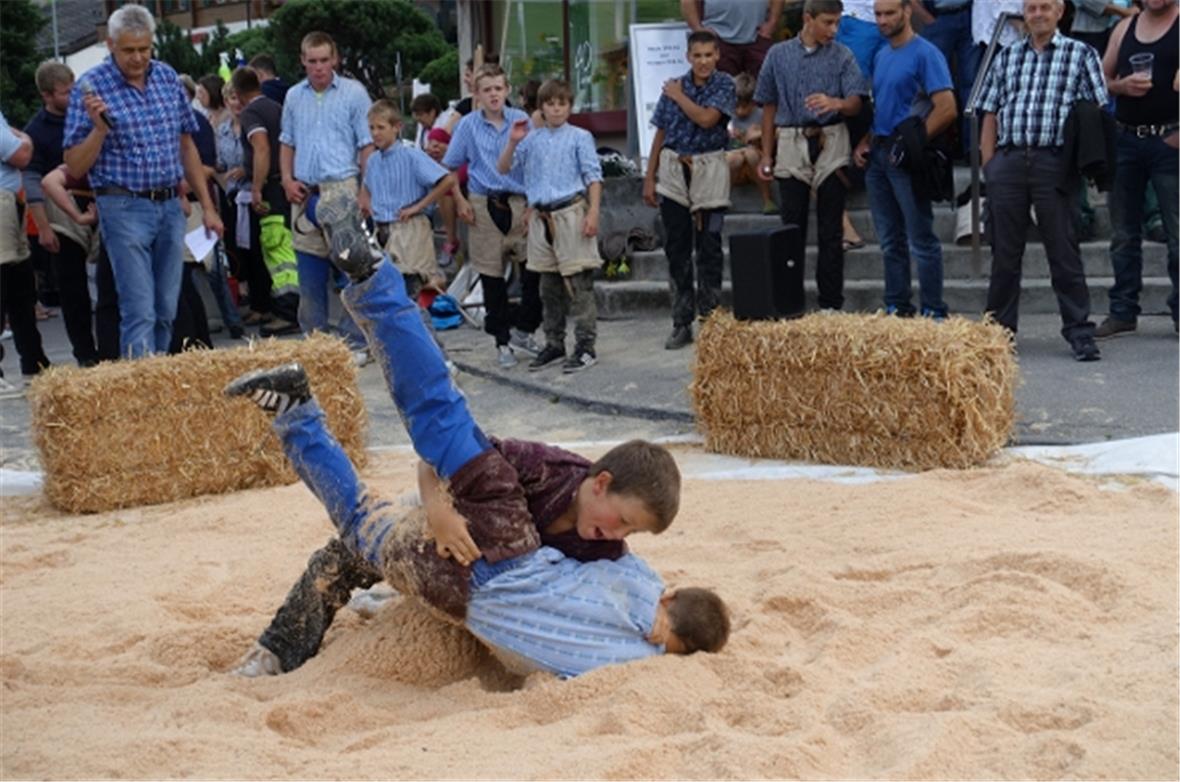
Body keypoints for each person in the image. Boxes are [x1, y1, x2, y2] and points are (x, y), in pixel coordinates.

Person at [225, 195, 728, 679]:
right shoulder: (552, 467)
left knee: (380, 502)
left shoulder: (608, 553)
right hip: (462, 511)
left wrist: (659, 610)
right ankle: (367, 277)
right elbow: (441, 457)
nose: (619, 537)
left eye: (631, 534)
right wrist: (437, 510)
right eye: (624, 522)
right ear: (600, 483)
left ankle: (298, 402)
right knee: (397, 473)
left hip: (477, 560)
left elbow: (637, 589)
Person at [63, 4, 223, 358]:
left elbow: (186, 145)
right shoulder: (91, 88)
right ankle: (140, 382)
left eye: (144, 49)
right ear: (111, 45)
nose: (138, 58)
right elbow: (73, 162)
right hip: (122, 205)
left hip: (169, 204)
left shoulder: (167, 78)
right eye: (129, 50)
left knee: (166, 307)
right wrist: (99, 130)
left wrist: (208, 207)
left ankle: (156, 378)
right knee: (139, 309)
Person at [977, 0, 1109, 360]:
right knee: (1004, 254)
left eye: (1045, 7)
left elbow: (1095, 109)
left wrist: (1080, 161)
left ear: (1059, 11)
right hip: (1008, 160)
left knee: (1063, 251)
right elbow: (990, 112)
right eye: (1031, 7)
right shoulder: (1006, 57)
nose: (1037, 14)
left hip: (1054, 160)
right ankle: (999, 334)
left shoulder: (1080, 54)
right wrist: (990, 166)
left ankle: (1080, 332)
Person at [756, 0, 869, 313]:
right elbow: (768, 105)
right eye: (828, 22)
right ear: (808, 18)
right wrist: (766, 154)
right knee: (791, 228)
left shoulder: (843, 55)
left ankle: (830, 304)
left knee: (831, 228)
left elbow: (857, 101)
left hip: (831, 139)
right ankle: (788, 303)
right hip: (791, 139)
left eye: (837, 23)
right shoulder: (778, 54)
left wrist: (837, 103)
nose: (834, 30)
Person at [852, 0, 956, 320]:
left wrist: (913, 143)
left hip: (907, 157)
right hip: (879, 153)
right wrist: (866, 140)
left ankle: (933, 309)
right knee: (889, 240)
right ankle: (897, 305)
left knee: (921, 237)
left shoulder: (926, 53)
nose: (882, 20)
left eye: (889, 13)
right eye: (878, 14)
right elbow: (882, 105)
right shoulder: (882, 54)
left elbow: (947, 107)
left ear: (907, 12)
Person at [279, 30, 374, 364]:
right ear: (303, 61)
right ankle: (315, 343)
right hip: (305, 191)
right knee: (309, 272)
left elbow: (366, 144)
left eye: (324, 60)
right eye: (312, 61)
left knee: (351, 269)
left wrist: (365, 190)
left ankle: (354, 342)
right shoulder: (294, 96)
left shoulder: (354, 93)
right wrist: (287, 179)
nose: (318, 67)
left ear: (334, 59)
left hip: (342, 187)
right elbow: (287, 141)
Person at [497, 79, 604, 373]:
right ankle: (554, 342)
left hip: (570, 212)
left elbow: (593, 176)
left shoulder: (580, 136)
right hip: (541, 217)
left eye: (562, 104)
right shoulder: (531, 140)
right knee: (548, 286)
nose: (556, 109)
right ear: (541, 108)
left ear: (570, 107)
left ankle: (586, 346)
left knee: (579, 283)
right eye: (550, 104)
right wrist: (513, 141)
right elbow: (504, 168)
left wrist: (593, 212)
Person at [442, 63, 543, 369]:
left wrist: (533, 203)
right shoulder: (468, 126)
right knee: (492, 277)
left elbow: (536, 164)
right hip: (483, 202)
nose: (494, 95)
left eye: (498, 88)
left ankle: (525, 328)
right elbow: (448, 168)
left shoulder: (522, 120)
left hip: (519, 201)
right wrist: (460, 200)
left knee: (533, 271)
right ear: (477, 94)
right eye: (487, 90)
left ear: (507, 90)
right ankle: (501, 340)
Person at [644, 30, 737, 350]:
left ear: (717, 55)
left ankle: (710, 319)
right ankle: (681, 321)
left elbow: (708, 119)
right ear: (688, 57)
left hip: (709, 167)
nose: (703, 61)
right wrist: (649, 176)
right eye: (697, 55)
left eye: (709, 55)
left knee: (709, 244)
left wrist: (678, 95)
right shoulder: (674, 84)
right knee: (676, 247)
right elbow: (661, 132)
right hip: (673, 167)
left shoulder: (724, 85)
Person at [1097, 0, 1178, 338]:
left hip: (1170, 140)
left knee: (1178, 234)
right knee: (1122, 234)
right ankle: (1123, 311)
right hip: (1126, 139)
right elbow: (1101, 77)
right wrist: (1121, 86)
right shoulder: (1124, 27)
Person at [23, 61, 99, 367]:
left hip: (98, 197)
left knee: (110, 280)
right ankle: (85, 353)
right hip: (61, 203)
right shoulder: (36, 131)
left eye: (74, 90)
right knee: (71, 286)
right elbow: (32, 181)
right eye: (65, 93)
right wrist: (43, 226)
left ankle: (112, 345)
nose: (73, 97)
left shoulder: (86, 116)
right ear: (47, 95)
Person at [358, 99, 454, 300]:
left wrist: (418, 206)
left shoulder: (411, 156)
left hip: (409, 228)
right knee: (389, 293)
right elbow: (367, 187)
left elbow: (447, 180)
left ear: (397, 127)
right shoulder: (374, 160)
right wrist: (366, 205)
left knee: (413, 290)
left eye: (381, 127)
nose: (375, 133)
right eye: (372, 128)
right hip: (383, 230)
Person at [232, 66, 301, 336]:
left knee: (277, 249)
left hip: (271, 186)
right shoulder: (275, 107)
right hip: (284, 181)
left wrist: (257, 188)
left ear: (238, 93)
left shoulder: (251, 113)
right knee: (286, 246)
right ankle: (288, 307)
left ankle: (286, 312)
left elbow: (261, 147)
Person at [0, 111, 50, 392]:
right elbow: (20, 155)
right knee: (9, 285)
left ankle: (34, 361)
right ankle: (31, 362)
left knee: (20, 285)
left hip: (9, 200)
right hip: (2, 202)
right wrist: (26, 139)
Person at [918, 0, 979, 158]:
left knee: (971, 84)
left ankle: (971, 147)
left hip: (969, 16)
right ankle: (932, 143)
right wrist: (925, 18)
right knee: (931, 83)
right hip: (939, 18)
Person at [681, 0, 784, 77]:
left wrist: (773, 22)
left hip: (757, 37)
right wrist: (697, 28)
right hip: (718, 39)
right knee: (719, 92)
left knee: (765, 90)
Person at [727, 72, 777, 216]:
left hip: (756, 165)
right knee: (735, 158)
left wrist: (758, 134)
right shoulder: (726, 115)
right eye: (736, 107)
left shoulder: (761, 115)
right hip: (735, 163)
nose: (739, 111)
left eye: (744, 107)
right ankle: (724, 198)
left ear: (753, 102)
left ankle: (767, 199)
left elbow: (775, 132)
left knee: (750, 154)